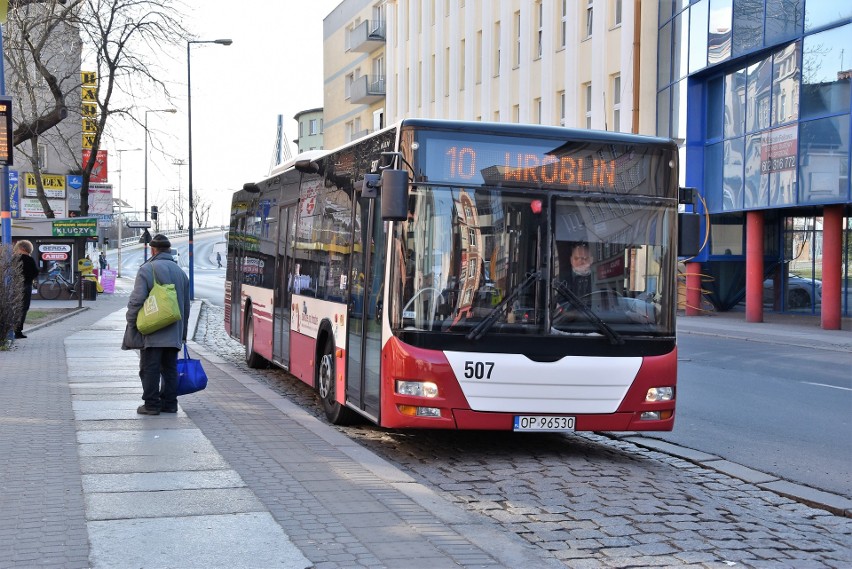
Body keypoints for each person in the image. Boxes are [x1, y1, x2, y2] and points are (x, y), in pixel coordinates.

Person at [123, 234, 190, 415]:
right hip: (174, 330)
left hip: (153, 330)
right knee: (170, 369)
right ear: (168, 250)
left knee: (149, 368)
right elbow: (186, 306)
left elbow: (137, 300)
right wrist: (183, 333)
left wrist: (131, 321)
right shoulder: (181, 273)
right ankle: (170, 403)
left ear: (153, 250)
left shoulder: (147, 269)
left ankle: (151, 404)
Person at [13, 240, 39, 339]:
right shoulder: (29, 259)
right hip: (26, 286)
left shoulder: (14, 259)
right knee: (23, 308)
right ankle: (18, 331)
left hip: (14, 286)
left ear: (21, 248)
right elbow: (35, 273)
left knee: (13, 308)